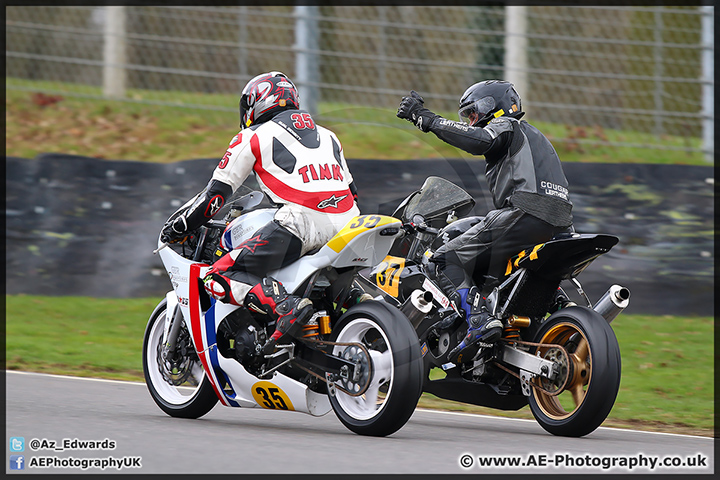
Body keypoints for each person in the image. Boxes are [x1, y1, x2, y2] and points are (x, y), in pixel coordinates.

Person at [161, 71, 360, 353]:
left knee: (217, 275)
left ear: (257, 103)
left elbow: (214, 198)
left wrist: (181, 226)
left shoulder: (252, 136)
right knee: (340, 291)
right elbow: (352, 193)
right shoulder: (329, 136)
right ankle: (362, 311)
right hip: (351, 223)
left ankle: (285, 307)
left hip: (303, 223)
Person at [396, 80, 573, 363]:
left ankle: (478, 317)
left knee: (445, 258)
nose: (471, 122)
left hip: (525, 212)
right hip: (562, 224)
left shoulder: (507, 127)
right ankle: (563, 308)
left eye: (473, 114)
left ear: (493, 108)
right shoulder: (540, 138)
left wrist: (426, 119)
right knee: (517, 268)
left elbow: (480, 140)